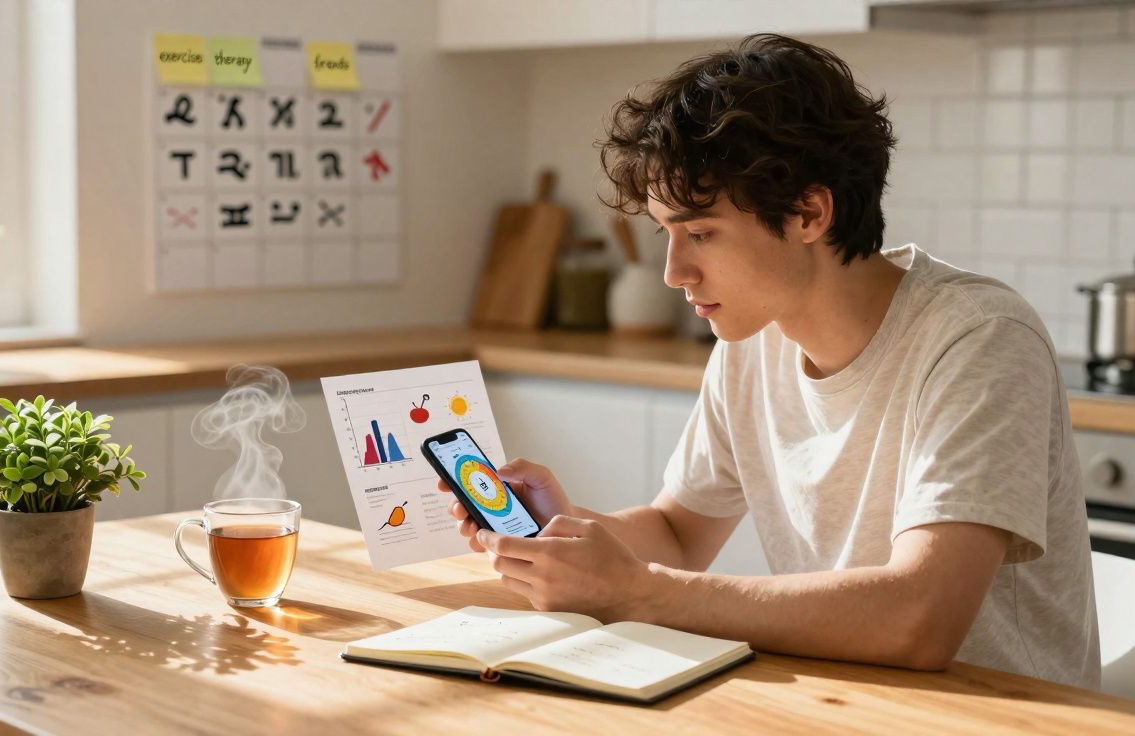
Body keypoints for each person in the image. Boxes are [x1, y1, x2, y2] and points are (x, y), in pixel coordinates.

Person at [440, 33, 1099, 687]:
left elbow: (920, 619)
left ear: (808, 212)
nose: (673, 272)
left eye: (700, 232)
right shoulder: (752, 340)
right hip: (840, 701)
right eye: (667, 234)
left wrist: (638, 592)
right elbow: (677, 533)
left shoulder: (979, 338)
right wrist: (565, 529)